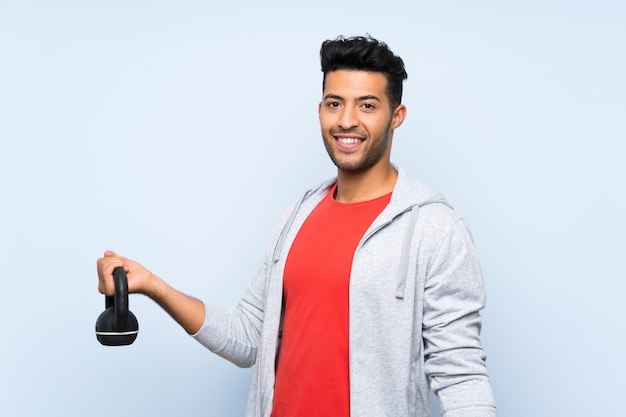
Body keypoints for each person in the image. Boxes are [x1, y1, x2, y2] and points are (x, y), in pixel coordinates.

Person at [97, 35, 497, 417]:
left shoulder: (434, 228)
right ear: (320, 109)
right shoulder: (295, 218)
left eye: (368, 106)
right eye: (334, 103)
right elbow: (249, 336)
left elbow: (460, 374)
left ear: (397, 116)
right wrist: (152, 285)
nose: (347, 121)